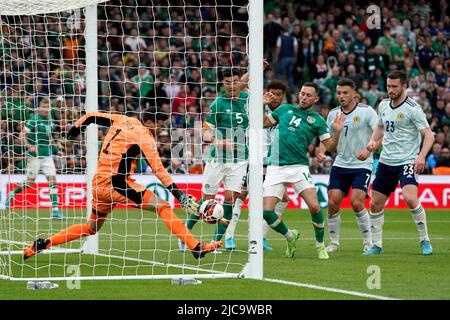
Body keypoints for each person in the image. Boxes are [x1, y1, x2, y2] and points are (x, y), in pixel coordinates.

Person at [22, 107, 221, 260]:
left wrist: (71, 135)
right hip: (116, 183)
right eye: (160, 125)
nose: (161, 129)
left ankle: (43, 244)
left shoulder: (122, 119)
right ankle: (195, 247)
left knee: (91, 228)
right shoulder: (144, 136)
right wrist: (181, 196)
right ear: (150, 122)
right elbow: (159, 170)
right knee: (163, 206)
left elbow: (90, 116)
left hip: (99, 183)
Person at [262, 82, 344, 259]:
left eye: (308, 95)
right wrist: (262, 105)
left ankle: (320, 245)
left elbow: (330, 146)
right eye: (302, 93)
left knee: (315, 206)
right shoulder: (284, 110)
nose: (304, 97)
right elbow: (263, 123)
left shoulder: (317, 120)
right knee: (266, 212)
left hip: (299, 167)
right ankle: (290, 236)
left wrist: (336, 132)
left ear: (316, 98)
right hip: (275, 166)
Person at [365, 70, 435, 255]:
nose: (391, 90)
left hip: (407, 161)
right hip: (386, 162)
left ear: (404, 86)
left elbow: (428, 135)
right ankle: (377, 245)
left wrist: (421, 157)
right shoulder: (383, 105)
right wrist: (373, 140)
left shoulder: (413, 108)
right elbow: (380, 127)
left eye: (394, 86)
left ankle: (425, 241)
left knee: (410, 198)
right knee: (375, 203)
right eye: (388, 86)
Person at [179, 68, 249, 253]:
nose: (231, 85)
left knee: (230, 200)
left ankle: (216, 242)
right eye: (227, 82)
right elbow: (205, 131)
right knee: (206, 201)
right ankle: (186, 234)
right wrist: (219, 142)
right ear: (223, 84)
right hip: (217, 159)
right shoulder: (219, 103)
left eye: (234, 81)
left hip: (240, 160)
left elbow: (248, 82)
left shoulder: (247, 99)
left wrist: (257, 67)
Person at [224, 80, 290, 251]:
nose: (274, 97)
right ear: (267, 92)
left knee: (282, 198)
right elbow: (237, 86)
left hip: (276, 159)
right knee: (242, 194)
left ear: (283, 96)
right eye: (272, 93)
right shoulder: (256, 104)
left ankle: (261, 236)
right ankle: (229, 236)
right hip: (255, 156)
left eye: (278, 94)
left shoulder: (287, 112)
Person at [323, 79, 379, 253]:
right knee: (332, 203)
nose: (341, 96)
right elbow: (330, 147)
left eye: (345, 92)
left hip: (362, 164)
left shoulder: (367, 111)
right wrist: (337, 132)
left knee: (356, 202)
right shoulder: (333, 115)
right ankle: (334, 243)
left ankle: (368, 243)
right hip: (340, 164)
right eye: (339, 93)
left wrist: (369, 149)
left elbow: (379, 134)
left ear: (354, 93)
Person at [5, 98, 63, 219]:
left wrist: (57, 151)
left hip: (47, 155)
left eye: (48, 107)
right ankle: (12, 193)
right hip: (34, 157)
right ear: (39, 108)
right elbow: (22, 133)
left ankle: (56, 210)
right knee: (30, 182)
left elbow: (49, 138)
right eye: (43, 107)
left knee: (52, 180)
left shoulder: (51, 121)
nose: (46, 110)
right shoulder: (34, 120)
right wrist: (29, 146)